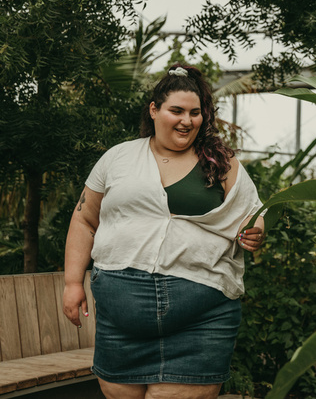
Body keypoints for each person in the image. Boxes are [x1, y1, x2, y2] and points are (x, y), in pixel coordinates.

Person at [63, 64, 265, 399]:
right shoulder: (118, 158)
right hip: (121, 321)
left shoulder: (221, 162)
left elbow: (252, 216)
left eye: (195, 113)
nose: (187, 120)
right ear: (154, 110)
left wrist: (256, 232)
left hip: (201, 320)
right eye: (177, 111)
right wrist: (73, 283)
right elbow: (84, 220)